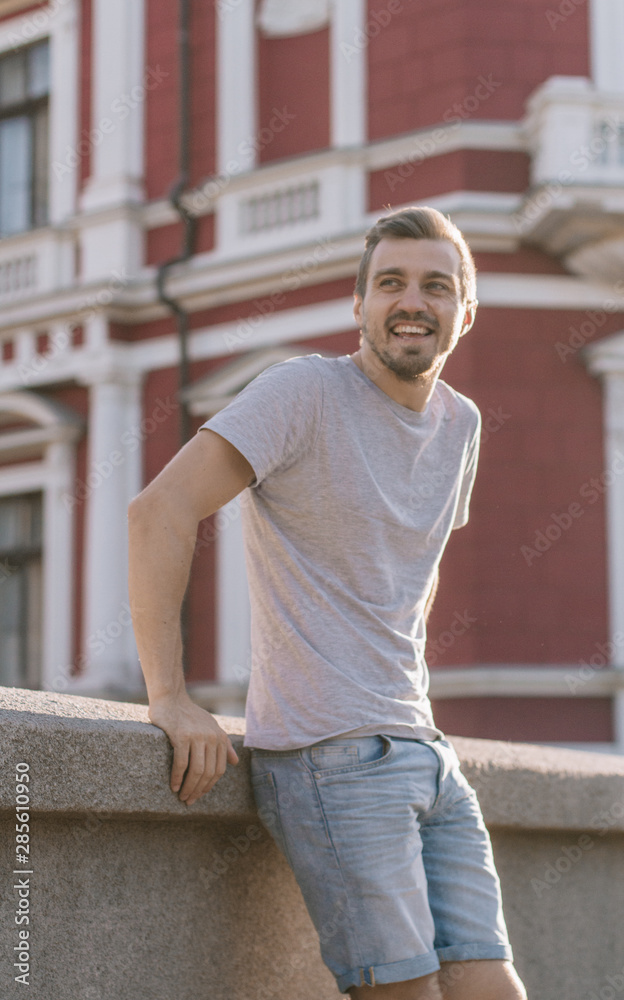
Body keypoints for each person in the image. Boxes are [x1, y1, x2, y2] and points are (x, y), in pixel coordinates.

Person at [128, 206, 527, 1000]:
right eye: (390, 283)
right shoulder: (302, 392)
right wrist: (169, 698)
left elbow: (411, 572)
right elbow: (157, 511)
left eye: (435, 286)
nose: (412, 301)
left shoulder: (460, 424)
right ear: (358, 305)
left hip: (424, 749)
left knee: (493, 988)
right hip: (328, 755)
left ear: (464, 312)